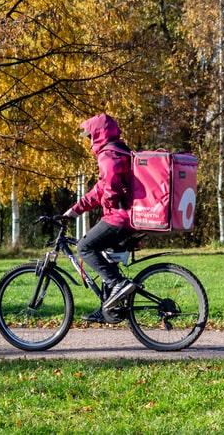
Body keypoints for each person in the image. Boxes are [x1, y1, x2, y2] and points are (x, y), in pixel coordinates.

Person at [61, 113, 135, 323]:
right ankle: (107, 309)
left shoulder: (108, 155)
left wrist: (110, 203)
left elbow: (109, 185)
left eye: (89, 136)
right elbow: (99, 190)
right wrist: (75, 210)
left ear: (98, 135)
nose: (88, 141)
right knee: (103, 252)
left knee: (84, 246)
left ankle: (118, 284)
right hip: (128, 216)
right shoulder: (121, 151)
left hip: (120, 217)